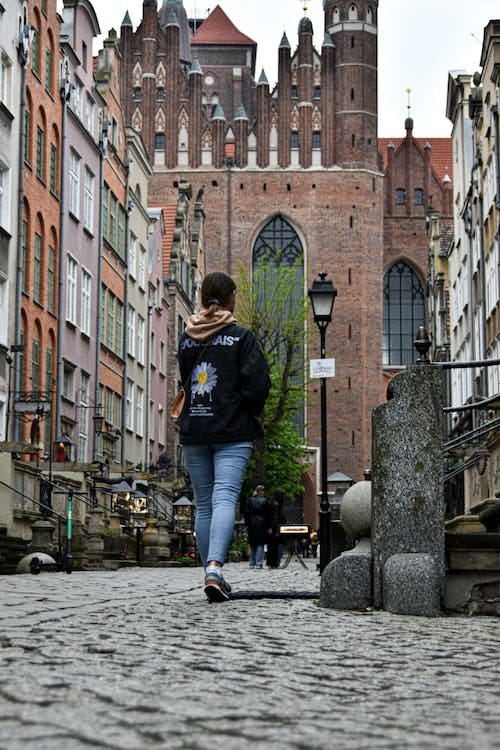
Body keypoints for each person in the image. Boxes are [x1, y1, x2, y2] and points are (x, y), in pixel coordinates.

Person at [178, 271, 271, 603]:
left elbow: (185, 380)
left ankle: (210, 573)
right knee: (225, 498)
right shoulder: (241, 337)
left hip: (195, 429)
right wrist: (245, 407)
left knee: (204, 503)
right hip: (233, 430)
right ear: (232, 297)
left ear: (202, 297)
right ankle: (215, 569)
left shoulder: (187, 338)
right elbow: (258, 385)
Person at [244, 485, 270, 569]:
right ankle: (259, 563)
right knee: (260, 544)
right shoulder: (265, 501)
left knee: (252, 544)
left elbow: (246, 513)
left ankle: (252, 562)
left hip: (251, 523)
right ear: (262, 491)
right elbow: (268, 515)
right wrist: (269, 526)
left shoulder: (250, 500)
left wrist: (247, 524)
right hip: (262, 524)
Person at [266, 488, 286, 569]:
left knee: (271, 546)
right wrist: (277, 529)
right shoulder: (276, 505)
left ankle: (271, 562)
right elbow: (275, 518)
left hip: (273, 528)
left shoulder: (272, 504)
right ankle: (275, 562)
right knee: (276, 546)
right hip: (276, 528)